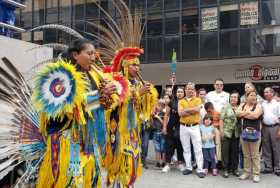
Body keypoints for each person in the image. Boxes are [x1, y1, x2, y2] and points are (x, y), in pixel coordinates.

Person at [33, 39, 118, 187]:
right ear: (75, 54)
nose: (94, 58)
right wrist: (99, 96)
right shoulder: (60, 75)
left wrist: (106, 99)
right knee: (70, 180)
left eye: (94, 54)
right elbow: (69, 107)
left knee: (89, 179)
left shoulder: (93, 75)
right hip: (67, 140)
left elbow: (94, 107)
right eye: (89, 53)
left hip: (89, 140)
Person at [178, 82, 205, 178]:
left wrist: (186, 110)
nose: (190, 90)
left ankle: (200, 169)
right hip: (183, 127)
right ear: (185, 90)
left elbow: (197, 110)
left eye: (192, 89)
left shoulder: (198, 99)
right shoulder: (181, 101)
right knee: (186, 149)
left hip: (195, 127)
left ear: (194, 90)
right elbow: (180, 113)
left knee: (198, 149)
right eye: (188, 88)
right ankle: (188, 167)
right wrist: (191, 110)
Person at [236, 90, 263, 183]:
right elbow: (237, 113)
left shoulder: (258, 106)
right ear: (246, 97)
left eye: (255, 95)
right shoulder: (242, 105)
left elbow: (255, 116)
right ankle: (246, 172)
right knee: (246, 155)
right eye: (251, 95)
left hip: (255, 133)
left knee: (255, 155)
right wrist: (248, 113)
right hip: (244, 133)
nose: (253, 97)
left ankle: (256, 174)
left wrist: (244, 113)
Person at [162, 87, 185, 173]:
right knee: (169, 146)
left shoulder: (185, 102)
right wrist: (164, 127)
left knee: (180, 146)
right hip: (171, 127)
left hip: (182, 127)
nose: (179, 93)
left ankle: (180, 164)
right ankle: (167, 164)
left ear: (184, 93)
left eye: (181, 92)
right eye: (178, 92)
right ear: (176, 93)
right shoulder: (171, 102)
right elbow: (166, 115)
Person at [220, 91, 240, 178]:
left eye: (235, 97)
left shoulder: (240, 107)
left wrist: (237, 112)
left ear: (238, 99)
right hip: (226, 132)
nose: (233, 98)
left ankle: (234, 169)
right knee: (225, 151)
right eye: (231, 97)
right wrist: (221, 131)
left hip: (236, 133)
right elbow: (221, 119)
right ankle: (225, 169)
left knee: (235, 151)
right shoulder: (225, 107)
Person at [261, 87, 280, 176]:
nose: (266, 94)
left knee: (276, 148)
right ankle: (268, 167)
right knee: (266, 148)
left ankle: (278, 168)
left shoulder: (277, 104)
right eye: (265, 92)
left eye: (268, 92)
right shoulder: (263, 104)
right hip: (265, 128)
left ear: (272, 93)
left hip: (275, 128)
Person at [152, 99, 166, 168]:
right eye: (158, 105)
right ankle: (158, 162)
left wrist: (158, 117)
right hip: (155, 132)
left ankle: (163, 162)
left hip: (162, 133)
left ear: (163, 107)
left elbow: (164, 123)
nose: (159, 107)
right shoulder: (154, 113)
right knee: (157, 148)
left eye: (161, 106)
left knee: (163, 148)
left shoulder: (164, 114)